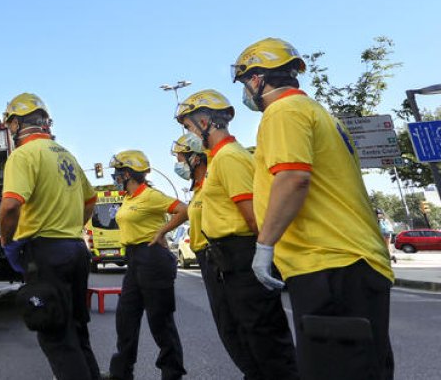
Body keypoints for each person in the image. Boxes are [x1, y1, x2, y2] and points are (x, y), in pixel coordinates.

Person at [232, 38, 394, 379]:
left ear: (258, 78)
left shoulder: (283, 112)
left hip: (329, 265)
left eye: (246, 81)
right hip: (349, 264)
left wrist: (265, 245)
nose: (246, 91)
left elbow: (292, 179)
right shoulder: (317, 112)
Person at [173, 90, 298, 380]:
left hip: (242, 255)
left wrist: (264, 254)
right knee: (243, 334)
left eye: (189, 126)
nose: (188, 134)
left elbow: (254, 216)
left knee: (264, 338)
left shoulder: (229, 157)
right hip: (228, 258)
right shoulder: (220, 158)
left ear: (205, 121)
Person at [0, 93, 100, 380]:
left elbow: (10, 206)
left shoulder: (23, 155)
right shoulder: (65, 153)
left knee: (55, 334)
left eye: (11, 124)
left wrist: (7, 241)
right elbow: (90, 201)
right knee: (78, 331)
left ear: (16, 123)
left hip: (45, 253)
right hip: (76, 249)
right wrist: (70, 227)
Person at [104, 150, 187, 380]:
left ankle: (172, 374)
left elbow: (183, 209)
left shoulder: (150, 195)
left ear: (128, 174)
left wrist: (163, 231)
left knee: (160, 322)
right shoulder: (129, 198)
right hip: (134, 261)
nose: (115, 177)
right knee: (126, 317)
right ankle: (121, 372)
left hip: (152, 259)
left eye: (118, 173)